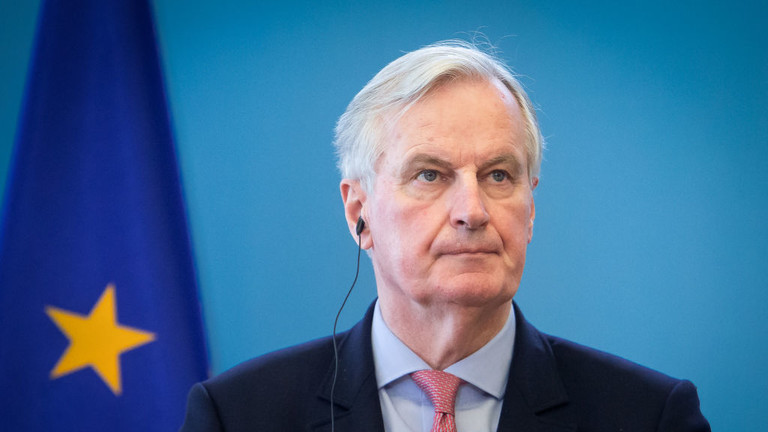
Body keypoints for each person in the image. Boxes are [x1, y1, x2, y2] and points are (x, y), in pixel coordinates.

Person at [180, 41, 710, 431]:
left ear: (530, 209)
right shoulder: (238, 415)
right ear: (358, 212)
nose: (472, 211)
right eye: (430, 175)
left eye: (499, 175)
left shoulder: (650, 416)